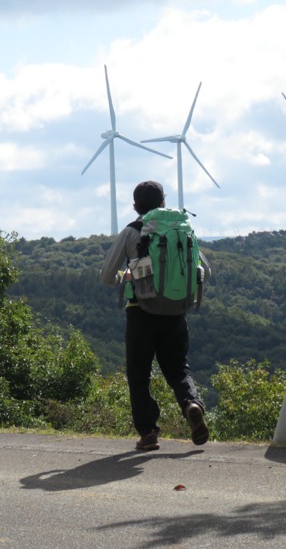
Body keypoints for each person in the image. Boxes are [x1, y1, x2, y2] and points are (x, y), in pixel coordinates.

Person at [100, 180, 210, 451]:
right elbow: (203, 268)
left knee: (139, 374)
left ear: (135, 205)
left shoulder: (132, 231)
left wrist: (123, 276)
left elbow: (106, 276)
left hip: (141, 311)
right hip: (175, 311)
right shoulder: (181, 229)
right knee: (178, 369)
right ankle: (192, 404)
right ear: (163, 202)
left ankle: (148, 432)